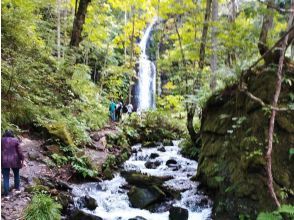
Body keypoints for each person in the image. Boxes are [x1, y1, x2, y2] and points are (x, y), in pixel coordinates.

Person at [1, 130, 24, 198]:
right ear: (12, 134)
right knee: (16, 174)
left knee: (6, 177)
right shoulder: (15, 140)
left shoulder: (1, 140)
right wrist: (22, 159)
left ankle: (6, 194)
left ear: (5, 134)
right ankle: (17, 189)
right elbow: (19, 151)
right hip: (15, 160)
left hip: (4, 161)